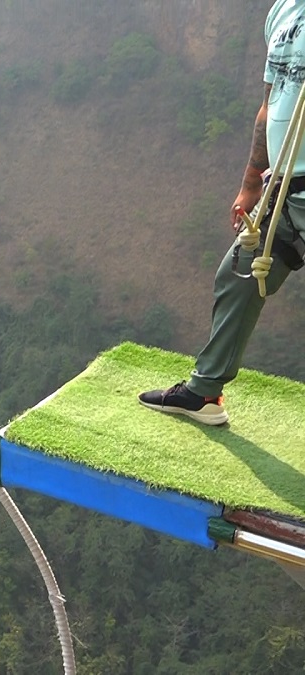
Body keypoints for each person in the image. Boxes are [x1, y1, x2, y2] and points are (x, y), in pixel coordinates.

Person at [139, 0, 305, 425]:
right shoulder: (283, 11)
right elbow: (270, 104)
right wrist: (251, 183)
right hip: (285, 188)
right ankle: (204, 393)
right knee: (239, 274)